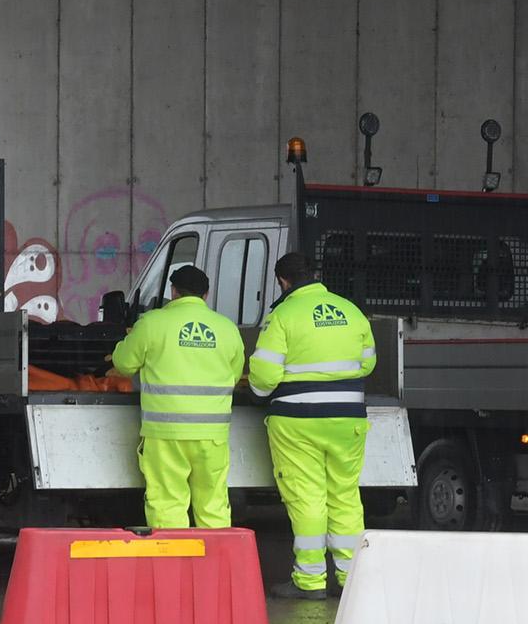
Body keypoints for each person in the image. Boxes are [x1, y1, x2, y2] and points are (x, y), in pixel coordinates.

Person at [248, 251, 376, 599]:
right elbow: (367, 363)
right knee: (346, 497)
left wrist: (259, 390)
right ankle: (351, 580)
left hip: (297, 421)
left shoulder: (283, 315)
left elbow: (263, 376)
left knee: (307, 498)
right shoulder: (350, 310)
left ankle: (310, 580)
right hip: (348, 418)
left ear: (282, 281)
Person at [109, 264, 243, 529]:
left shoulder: (151, 324)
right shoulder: (227, 329)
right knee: (214, 504)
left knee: (168, 503)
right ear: (206, 295)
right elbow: (236, 375)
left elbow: (123, 364)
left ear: (174, 291)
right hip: (212, 435)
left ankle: (174, 567)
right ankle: (214, 567)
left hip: (165, 433)